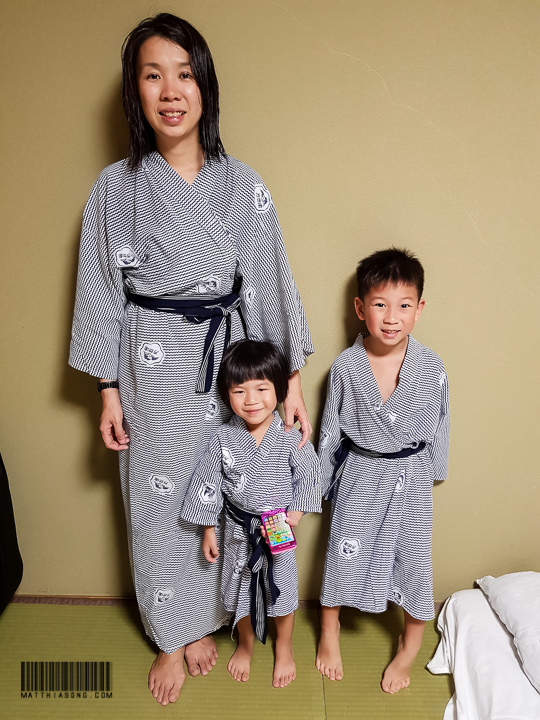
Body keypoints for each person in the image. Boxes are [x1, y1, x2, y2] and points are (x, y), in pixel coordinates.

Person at [68, 13, 314, 706]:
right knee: (158, 497)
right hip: (150, 362)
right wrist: (108, 389)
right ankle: (171, 634)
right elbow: (100, 288)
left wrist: (291, 381)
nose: (170, 91)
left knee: (223, 490)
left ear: (205, 86)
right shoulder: (114, 188)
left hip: (231, 365)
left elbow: (268, 279)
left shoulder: (243, 186)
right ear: (135, 91)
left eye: (184, 75)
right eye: (153, 76)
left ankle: (207, 619)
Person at [315, 248, 449, 694]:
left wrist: (433, 469)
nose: (392, 317)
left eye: (404, 305)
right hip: (360, 473)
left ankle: (410, 645)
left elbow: (441, 423)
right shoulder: (346, 367)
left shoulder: (431, 367)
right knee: (342, 553)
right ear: (360, 308)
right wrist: (319, 486)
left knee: (415, 562)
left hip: (411, 479)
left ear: (419, 309)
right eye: (380, 304)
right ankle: (329, 628)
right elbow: (330, 430)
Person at [181, 340, 321, 688]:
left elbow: (310, 474)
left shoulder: (289, 436)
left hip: (276, 526)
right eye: (239, 391)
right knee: (240, 590)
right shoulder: (222, 437)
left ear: (280, 389)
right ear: (227, 394)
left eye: (261, 388)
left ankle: (284, 646)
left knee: (281, 589)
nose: (251, 400)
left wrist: (297, 511)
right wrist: (208, 529)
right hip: (236, 528)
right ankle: (245, 644)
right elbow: (208, 481)